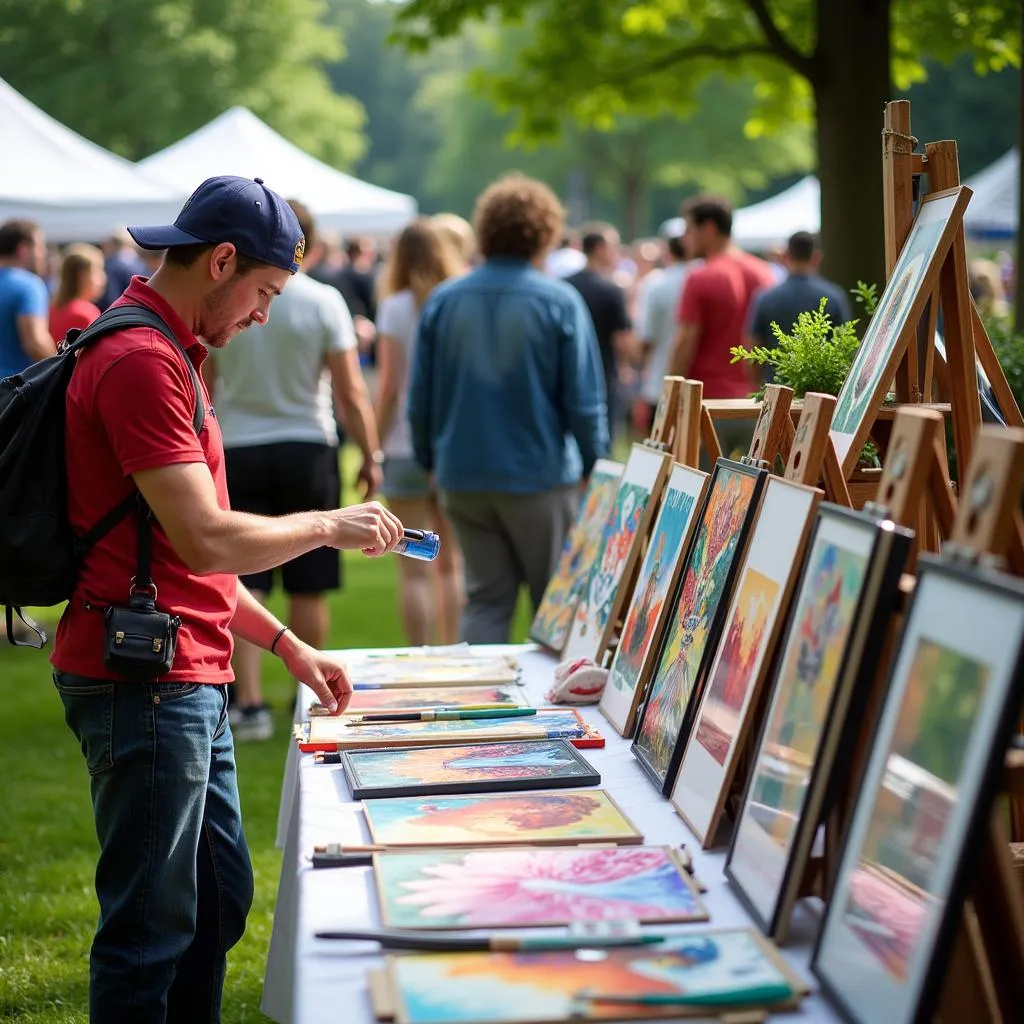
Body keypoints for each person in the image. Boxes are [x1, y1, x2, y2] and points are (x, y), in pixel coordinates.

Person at [51, 175, 403, 1021]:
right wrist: (325, 522)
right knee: (150, 931)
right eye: (265, 293)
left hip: (185, 674)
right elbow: (206, 538)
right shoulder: (139, 359)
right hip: (144, 679)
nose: (264, 316)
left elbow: (185, 558)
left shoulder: (170, 350)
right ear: (220, 262)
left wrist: (285, 644)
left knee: (213, 904)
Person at [203, 198, 383, 741]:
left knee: (246, 578)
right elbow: (350, 390)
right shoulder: (324, 301)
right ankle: (310, 699)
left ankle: (250, 704)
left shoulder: (233, 295)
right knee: (308, 586)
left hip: (239, 442)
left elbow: (206, 379)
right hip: (307, 444)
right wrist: (370, 455)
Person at [409, 174, 609, 644]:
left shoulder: (443, 300)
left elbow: (420, 398)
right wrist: (595, 464)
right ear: (544, 232)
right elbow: (584, 400)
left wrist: (429, 461)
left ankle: (485, 715)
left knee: (485, 602)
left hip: (463, 474)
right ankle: (553, 717)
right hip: (539, 475)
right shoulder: (558, 301)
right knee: (554, 608)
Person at [375, 218, 466, 646]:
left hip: (403, 444)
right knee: (452, 564)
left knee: (413, 566)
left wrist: (373, 442)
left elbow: (390, 386)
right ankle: (456, 652)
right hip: (451, 444)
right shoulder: (458, 305)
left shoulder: (396, 307)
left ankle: (420, 654)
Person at [669, 195, 776, 458]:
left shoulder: (700, 276)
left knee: (700, 492)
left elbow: (685, 342)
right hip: (756, 405)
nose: (685, 239)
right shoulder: (764, 273)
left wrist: (670, 397)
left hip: (708, 405)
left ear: (709, 228)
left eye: (689, 230)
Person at [746, 231, 852, 382]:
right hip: (822, 392)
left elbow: (753, 349)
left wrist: (758, 388)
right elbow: (845, 348)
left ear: (786, 256)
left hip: (775, 392)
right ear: (816, 257)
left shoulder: (765, 298)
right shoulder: (834, 297)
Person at [565, 223, 635, 443]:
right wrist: (629, 364)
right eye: (613, 246)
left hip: (567, 373)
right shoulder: (612, 290)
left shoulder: (565, 286)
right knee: (602, 442)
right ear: (599, 248)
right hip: (604, 375)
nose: (617, 252)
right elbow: (622, 341)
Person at [634, 219, 699, 432]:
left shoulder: (655, 284)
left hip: (660, 384)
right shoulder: (702, 276)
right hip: (701, 386)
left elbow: (646, 338)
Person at [0, 218, 54, 379]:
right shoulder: (29, 285)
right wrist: (61, 373)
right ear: (23, 249)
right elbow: (35, 342)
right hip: (12, 394)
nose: (43, 254)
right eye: (40, 247)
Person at [49, 243, 107, 341]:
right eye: (97, 271)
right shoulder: (85, 313)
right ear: (82, 276)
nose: (103, 278)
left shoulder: (52, 308)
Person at [98, 230, 149, 310]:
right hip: (141, 310)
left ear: (113, 245)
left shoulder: (111, 265)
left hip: (120, 313)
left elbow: (110, 298)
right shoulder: (140, 264)